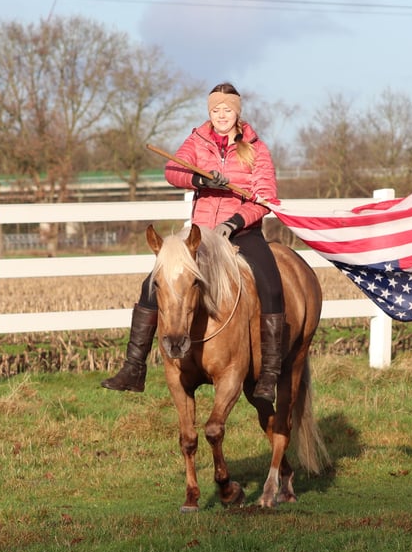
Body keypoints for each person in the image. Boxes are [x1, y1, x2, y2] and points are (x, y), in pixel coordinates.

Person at [100, 82, 285, 403]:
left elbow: (265, 198)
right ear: (209, 112)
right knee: (151, 284)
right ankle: (133, 367)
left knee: (271, 287)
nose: (221, 115)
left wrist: (234, 222)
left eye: (227, 110)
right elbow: (173, 170)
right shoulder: (197, 139)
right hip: (200, 235)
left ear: (237, 112)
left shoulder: (257, 147)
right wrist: (199, 179)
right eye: (216, 110)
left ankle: (268, 375)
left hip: (242, 231)